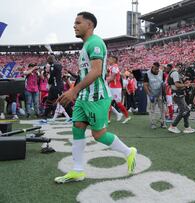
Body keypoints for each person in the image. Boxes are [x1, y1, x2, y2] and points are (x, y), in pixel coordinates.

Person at [54, 12, 136, 184]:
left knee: (98, 135)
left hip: (96, 97)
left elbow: (97, 71)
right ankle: (77, 170)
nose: (74, 25)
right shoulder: (85, 46)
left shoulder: (96, 42)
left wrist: (73, 91)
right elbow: (85, 73)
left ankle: (129, 152)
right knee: (77, 127)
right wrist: (72, 90)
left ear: (89, 25)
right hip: (84, 96)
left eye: (78, 22)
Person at [165, 64, 195, 134]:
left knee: (186, 110)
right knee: (183, 111)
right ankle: (173, 126)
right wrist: (187, 85)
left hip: (178, 94)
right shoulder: (175, 73)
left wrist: (186, 83)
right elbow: (177, 85)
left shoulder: (173, 73)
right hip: (177, 94)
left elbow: (177, 84)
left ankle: (187, 127)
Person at [107, 55, 131, 124]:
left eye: (110, 59)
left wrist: (105, 81)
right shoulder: (112, 67)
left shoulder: (115, 67)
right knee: (108, 103)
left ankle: (127, 116)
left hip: (115, 87)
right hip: (112, 87)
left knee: (118, 103)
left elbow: (112, 77)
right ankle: (109, 119)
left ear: (114, 60)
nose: (109, 60)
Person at [143, 62, 166, 129]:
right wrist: (150, 95)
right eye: (155, 69)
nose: (157, 70)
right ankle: (153, 123)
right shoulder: (147, 74)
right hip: (151, 93)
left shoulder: (161, 72)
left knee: (162, 109)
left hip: (160, 94)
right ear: (152, 67)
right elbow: (145, 85)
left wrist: (164, 91)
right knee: (152, 109)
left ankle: (163, 122)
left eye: (158, 69)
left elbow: (164, 83)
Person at [42, 55, 64, 119]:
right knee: (57, 100)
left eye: (48, 60)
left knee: (50, 100)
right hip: (60, 84)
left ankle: (46, 114)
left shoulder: (53, 65)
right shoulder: (59, 64)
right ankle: (48, 113)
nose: (47, 62)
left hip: (55, 85)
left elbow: (52, 77)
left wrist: (48, 83)